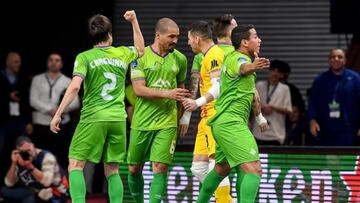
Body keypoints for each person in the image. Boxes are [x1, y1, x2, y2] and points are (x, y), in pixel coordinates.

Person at [50, 10, 144, 203]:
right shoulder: (122, 53)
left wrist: (58, 113)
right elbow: (141, 49)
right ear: (109, 35)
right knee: (112, 169)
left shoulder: (85, 57)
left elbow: (75, 86)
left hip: (93, 117)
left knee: (75, 165)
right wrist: (134, 21)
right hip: (118, 119)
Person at [196, 24, 269, 203]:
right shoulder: (236, 58)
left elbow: (253, 96)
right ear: (244, 42)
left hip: (225, 123)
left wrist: (259, 117)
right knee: (254, 169)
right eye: (255, 37)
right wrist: (253, 66)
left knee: (222, 168)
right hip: (231, 124)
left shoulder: (243, 61)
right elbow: (243, 68)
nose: (259, 40)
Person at [127, 17, 189, 203]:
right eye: (171, 36)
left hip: (167, 122)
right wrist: (167, 93)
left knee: (160, 167)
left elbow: (182, 92)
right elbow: (138, 90)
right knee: (133, 169)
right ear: (158, 35)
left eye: (177, 37)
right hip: (142, 121)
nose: (175, 41)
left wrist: (182, 118)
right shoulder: (140, 57)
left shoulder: (180, 59)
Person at [30, 52, 80, 168]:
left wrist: (60, 110)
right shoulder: (37, 79)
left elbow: (76, 102)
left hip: (61, 124)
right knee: (41, 155)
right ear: (47, 63)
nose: (53, 63)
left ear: (61, 64)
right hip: (41, 123)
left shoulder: (67, 81)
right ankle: (42, 183)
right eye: (51, 60)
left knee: (62, 155)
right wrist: (50, 110)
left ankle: (62, 184)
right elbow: (33, 100)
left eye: (57, 60)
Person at [307, 48, 360, 146]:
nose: (336, 59)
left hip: (348, 128)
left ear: (345, 60)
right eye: (333, 57)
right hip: (326, 128)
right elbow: (313, 102)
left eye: (339, 57)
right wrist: (312, 119)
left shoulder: (355, 78)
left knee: (347, 158)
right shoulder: (320, 80)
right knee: (330, 159)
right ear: (329, 60)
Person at [1, 136, 68, 203]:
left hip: (51, 192)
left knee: (28, 201)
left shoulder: (47, 157)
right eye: (23, 152)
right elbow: (9, 183)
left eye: (28, 150)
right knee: (3, 191)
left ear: (33, 146)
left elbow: (47, 182)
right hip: (33, 190)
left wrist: (29, 166)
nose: (28, 154)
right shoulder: (20, 159)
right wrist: (14, 163)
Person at [0, 51, 32, 189]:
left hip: (19, 120)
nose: (19, 64)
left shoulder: (23, 78)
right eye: (16, 61)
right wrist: (8, 96)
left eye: (19, 61)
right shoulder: (0, 77)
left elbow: (27, 101)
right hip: (2, 121)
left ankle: (22, 182)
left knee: (22, 149)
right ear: (8, 62)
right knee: (1, 150)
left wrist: (29, 121)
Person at [252, 60, 293, 145]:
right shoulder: (259, 85)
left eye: (278, 72)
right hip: (258, 132)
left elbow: (288, 110)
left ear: (282, 75)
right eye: (273, 70)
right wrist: (262, 107)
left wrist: (272, 108)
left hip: (275, 133)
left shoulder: (285, 89)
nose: (275, 73)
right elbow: (251, 103)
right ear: (269, 71)